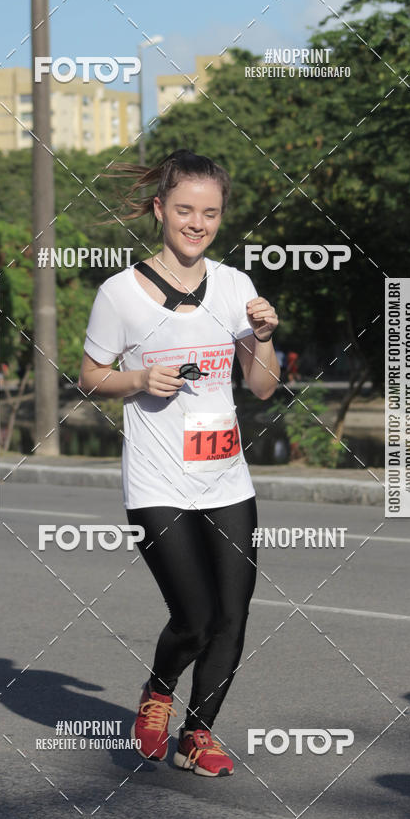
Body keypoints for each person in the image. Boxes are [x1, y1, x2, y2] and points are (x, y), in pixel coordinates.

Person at [79, 149, 279, 777]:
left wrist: (266, 336)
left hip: (227, 477)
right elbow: (89, 378)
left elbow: (264, 387)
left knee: (233, 616)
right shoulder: (121, 293)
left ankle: (198, 736)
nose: (198, 223)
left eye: (211, 213)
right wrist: (138, 377)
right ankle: (159, 690)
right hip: (158, 480)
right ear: (161, 209)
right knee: (193, 618)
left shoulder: (236, 286)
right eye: (186, 210)